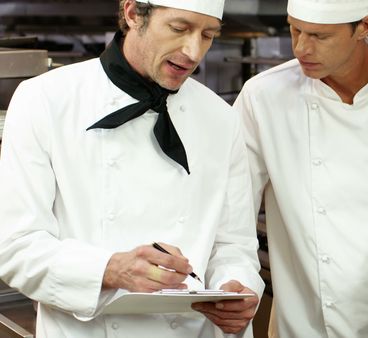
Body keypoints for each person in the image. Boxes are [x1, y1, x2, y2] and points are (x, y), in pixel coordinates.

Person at [0, 0, 264, 337]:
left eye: (208, 35)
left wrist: (237, 287)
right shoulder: (45, 99)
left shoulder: (221, 118)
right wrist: (109, 269)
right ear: (133, 13)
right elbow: (16, 247)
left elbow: (233, 245)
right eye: (179, 29)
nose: (193, 51)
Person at [233, 0, 368, 336]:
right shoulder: (263, 97)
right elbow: (232, 213)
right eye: (294, 29)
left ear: (365, 26)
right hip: (305, 325)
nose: (300, 48)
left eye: (319, 36)